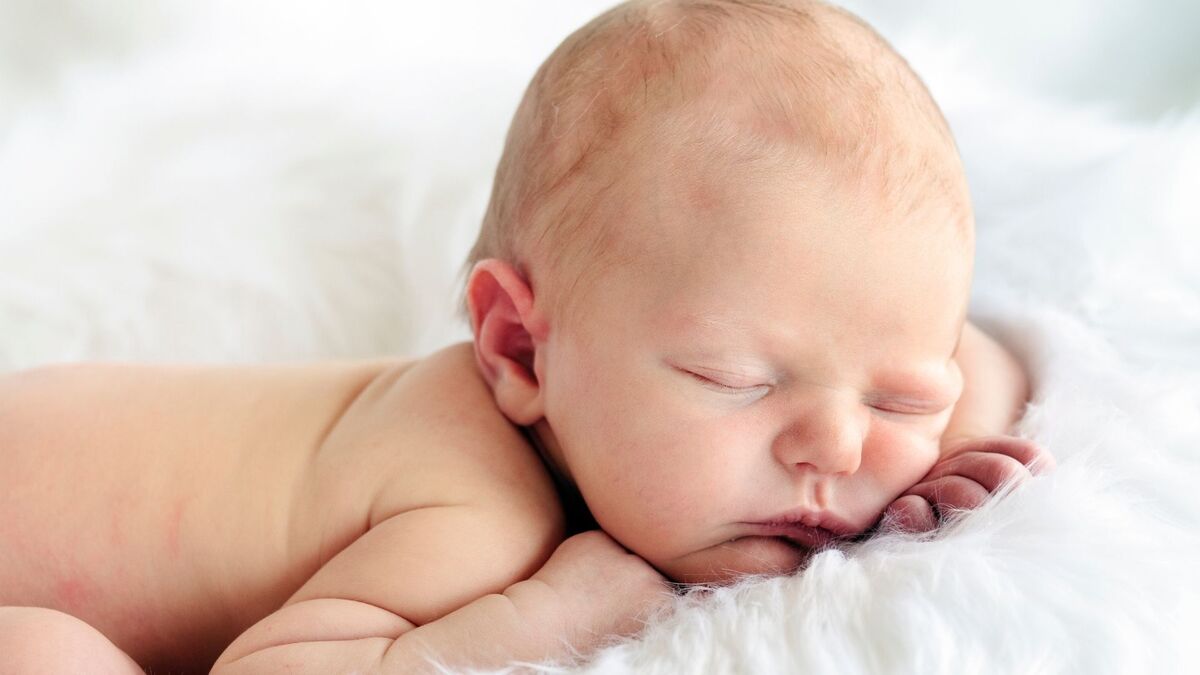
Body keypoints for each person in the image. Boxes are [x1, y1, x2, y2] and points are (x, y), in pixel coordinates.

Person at [0, 1, 1054, 673]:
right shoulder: (476, 506)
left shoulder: (714, 439)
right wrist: (549, 618)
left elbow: (981, 364)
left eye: (900, 399)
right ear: (518, 350)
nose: (837, 449)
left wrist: (934, 475)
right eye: (732, 378)